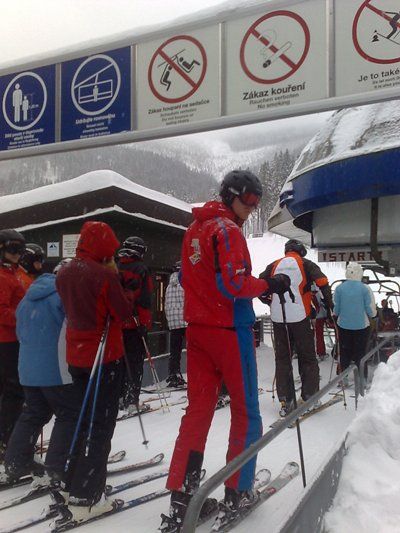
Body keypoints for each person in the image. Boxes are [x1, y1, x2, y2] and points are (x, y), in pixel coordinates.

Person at [159, 170, 290, 532]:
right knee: (247, 414)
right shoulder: (227, 230)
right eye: (248, 201)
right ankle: (238, 491)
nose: (251, 209)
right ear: (232, 195)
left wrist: (234, 289)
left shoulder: (194, 230)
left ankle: (182, 496)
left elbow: (188, 277)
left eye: (256, 203)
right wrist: (268, 283)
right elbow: (233, 282)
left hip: (198, 332)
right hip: (229, 331)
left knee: (197, 413)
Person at [53, 221, 132, 527]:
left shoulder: (65, 273)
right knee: (101, 424)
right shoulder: (104, 275)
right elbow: (123, 314)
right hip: (104, 356)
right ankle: (88, 494)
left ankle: (73, 480)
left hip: (77, 355)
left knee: (83, 419)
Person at [3, 259, 74, 486]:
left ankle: (15, 461)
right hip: (55, 368)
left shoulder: (27, 299)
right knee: (67, 414)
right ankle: (56, 467)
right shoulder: (63, 297)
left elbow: (20, 330)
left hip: (27, 368)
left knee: (33, 413)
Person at [259, 239, 333, 417]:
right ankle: (310, 397)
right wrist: (329, 306)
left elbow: (260, 287)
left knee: (283, 359)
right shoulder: (306, 264)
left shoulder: (273, 265)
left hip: (278, 317)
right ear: (301, 251)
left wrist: (270, 302)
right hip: (301, 317)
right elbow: (322, 282)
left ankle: (286, 401)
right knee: (307, 357)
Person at [116, 236, 153, 414]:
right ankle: (132, 401)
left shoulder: (115, 266)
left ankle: (120, 397)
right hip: (135, 323)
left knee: (120, 363)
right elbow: (145, 299)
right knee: (135, 363)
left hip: (117, 324)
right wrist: (145, 324)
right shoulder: (140, 269)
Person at [0, 229, 26, 462]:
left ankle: (7, 438)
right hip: (6, 341)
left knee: (11, 391)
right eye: (12, 249)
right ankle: (6, 440)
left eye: (21, 249)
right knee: (12, 392)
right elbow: (2, 311)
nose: (17, 254)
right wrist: (26, 316)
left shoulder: (14, 273)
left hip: (12, 339)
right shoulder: (3, 275)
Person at [333, 262, 376, 378]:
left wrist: (335, 315)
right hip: (361, 326)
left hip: (343, 325)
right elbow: (370, 308)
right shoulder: (365, 288)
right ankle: (362, 378)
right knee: (361, 354)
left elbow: (336, 308)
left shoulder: (339, 288)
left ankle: (343, 377)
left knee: (344, 352)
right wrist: (373, 315)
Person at [165, 261, 187, 389]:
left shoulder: (168, 286)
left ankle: (173, 374)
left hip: (173, 322)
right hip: (185, 321)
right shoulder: (183, 284)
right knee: (194, 350)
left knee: (175, 350)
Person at [311, 284, 328, 360]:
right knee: (319, 335)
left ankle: (318, 352)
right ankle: (321, 352)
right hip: (321, 315)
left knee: (316, 335)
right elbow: (323, 302)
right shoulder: (319, 290)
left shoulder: (307, 290)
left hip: (312, 316)